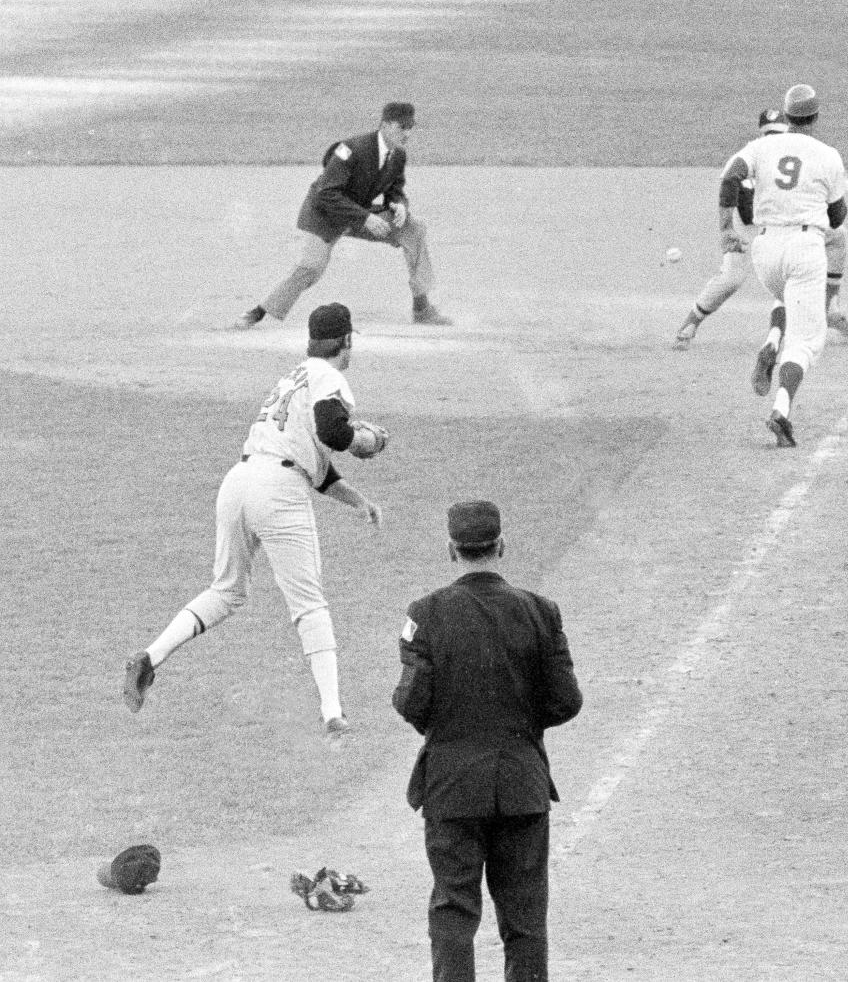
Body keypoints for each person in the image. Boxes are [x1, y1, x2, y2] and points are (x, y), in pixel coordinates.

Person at [123, 303, 386, 738]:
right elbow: (333, 434)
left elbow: (310, 459)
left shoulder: (293, 377)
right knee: (309, 605)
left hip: (239, 481)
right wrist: (365, 440)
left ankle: (149, 658)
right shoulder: (329, 376)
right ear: (346, 341)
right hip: (277, 490)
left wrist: (356, 499)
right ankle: (334, 714)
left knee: (226, 591)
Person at [392, 501, 583, 982]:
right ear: (501, 546)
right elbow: (566, 701)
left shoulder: (425, 614)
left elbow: (412, 702)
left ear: (452, 551)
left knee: (453, 911)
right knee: (525, 918)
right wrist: (520, 726)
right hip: (522, 784)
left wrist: (452, 727)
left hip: (452, 788)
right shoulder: (541, 611)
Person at [233, 101, 451, 329]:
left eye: (410, 127)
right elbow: (326, 192)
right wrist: (366, 218)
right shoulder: (351, 149)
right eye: (402, 127)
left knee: (413, 229)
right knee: (311, 267)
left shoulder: (398, 156)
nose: (407, 133)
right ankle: (258, 313)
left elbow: (394, 191)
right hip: (325, 216)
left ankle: (422, 308)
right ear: (385, 125)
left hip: (357, 215)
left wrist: (399, 205)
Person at [719, 83, 848, 447]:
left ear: (788, 116)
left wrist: (725, 231)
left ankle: (772, 339)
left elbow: (730, 177)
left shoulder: (760, 146)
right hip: (804, 250)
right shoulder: (827, 155)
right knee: (807, 342)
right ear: (816, 117)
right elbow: (838, 217)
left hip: (765, 252)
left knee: (790, 299)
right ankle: (781, 410)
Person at [673, 107, 848, 350]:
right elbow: (748, 213)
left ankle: (829, 306)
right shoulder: (761, 154)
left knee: (836, 237)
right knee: (734, 278)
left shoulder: (761, 152)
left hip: (772, 223)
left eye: (776, 132)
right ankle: (691, 324)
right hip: (750, 223)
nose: (771, 137)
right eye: (767, 133)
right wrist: (729, 230)